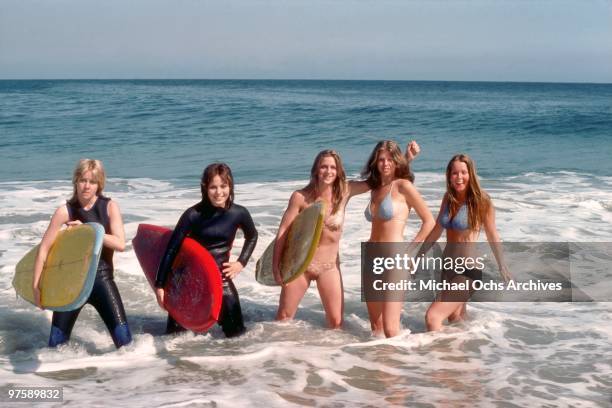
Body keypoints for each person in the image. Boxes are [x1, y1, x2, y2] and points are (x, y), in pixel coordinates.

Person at [273, 143, 421, 329]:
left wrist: (406, 159)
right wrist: (276, 267)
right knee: (284, 319)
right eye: (324, 166)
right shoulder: (300, 197)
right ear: (316, 170)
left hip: (329, 266)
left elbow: (379, 179)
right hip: (301, 265)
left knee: (336, 323)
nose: (328, 171)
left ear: (338, 171)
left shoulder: (344, 191)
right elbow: (283, 232)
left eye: (333, 167)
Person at [32, 159, 132, 348]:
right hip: (70, 284)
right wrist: (36, 286)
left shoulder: (109, 207)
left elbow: (120, 243)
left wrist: (88, 231)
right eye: (83, 180)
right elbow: (44, 249)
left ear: (99, 185)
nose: (87, 186)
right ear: (76, 181)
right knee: (55, 347)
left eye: (92, 182)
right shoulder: (65, 211)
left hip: (102, 280)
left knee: (125, 344)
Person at [155, 163, 257, 338]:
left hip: (220, 279)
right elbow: (172, 249)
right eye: (213, 187)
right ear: (205, 188)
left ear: (230, 186)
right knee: (175, 339)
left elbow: (252, 236)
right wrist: (160, 285)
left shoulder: (238, 213)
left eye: (223, 186)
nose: (219, 192)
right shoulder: (193, 215)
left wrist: (241, 263)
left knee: (237, 337)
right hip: (190, 281)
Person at [423, 154, 511, 331]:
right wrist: (417, 256)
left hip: (468, 271)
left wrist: (502, 265)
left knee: (433, 317)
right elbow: (436, 230)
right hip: (448, 269)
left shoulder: (481, 200)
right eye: (454, 173)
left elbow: (492, 234)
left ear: (471, 174)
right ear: (449, 175)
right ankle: (463, 356)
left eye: (463, 172)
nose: (459, 177)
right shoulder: (448, 198)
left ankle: (435, 356)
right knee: (456, 319)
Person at [362, 140, 435, 338]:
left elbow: (429, 221)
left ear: (396, 161)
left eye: (389, 160)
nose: (385, 164)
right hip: (371, 258)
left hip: (394, 257)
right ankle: (380, 368)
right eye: (381, 160)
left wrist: (411, 250)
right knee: (376, 328)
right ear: (375, 162)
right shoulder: (376, 189)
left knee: (390, 328)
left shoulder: (404, 186)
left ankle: (407, 365)